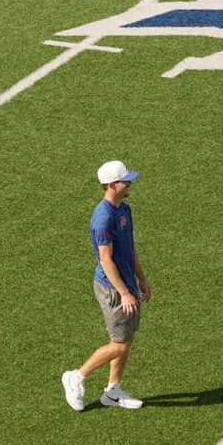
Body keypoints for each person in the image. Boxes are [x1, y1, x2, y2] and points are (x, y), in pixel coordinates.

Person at [62, 159, 151, 411]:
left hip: (127, 285)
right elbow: (105, 259)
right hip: (113, 289)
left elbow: (130, 247)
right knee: (120, 343)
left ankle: (113, 390)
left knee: (128, 338)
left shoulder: (124, 209)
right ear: (112, 185)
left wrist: (141, 278)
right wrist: (124, 292)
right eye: (125, 180)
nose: (130, 182)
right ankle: (76, 377)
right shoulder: (103, 218)